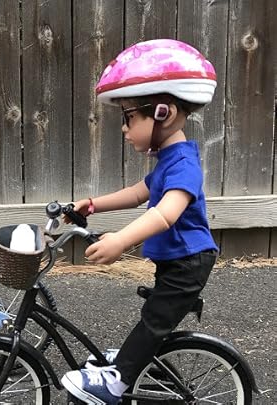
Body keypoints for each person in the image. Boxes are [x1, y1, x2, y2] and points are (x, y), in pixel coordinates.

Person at [61, 39, 219, 404]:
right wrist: (92, 205)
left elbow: (165, 213)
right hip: (177, 261)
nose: (125, 128)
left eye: (129, 117)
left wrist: (121, 240)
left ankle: (116, 383)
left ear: (165, 112)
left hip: (189, 264)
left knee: (155, 321)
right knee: (153, 316)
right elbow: (137, 193)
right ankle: (134, 360)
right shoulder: (169, 160)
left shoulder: (184, 165)